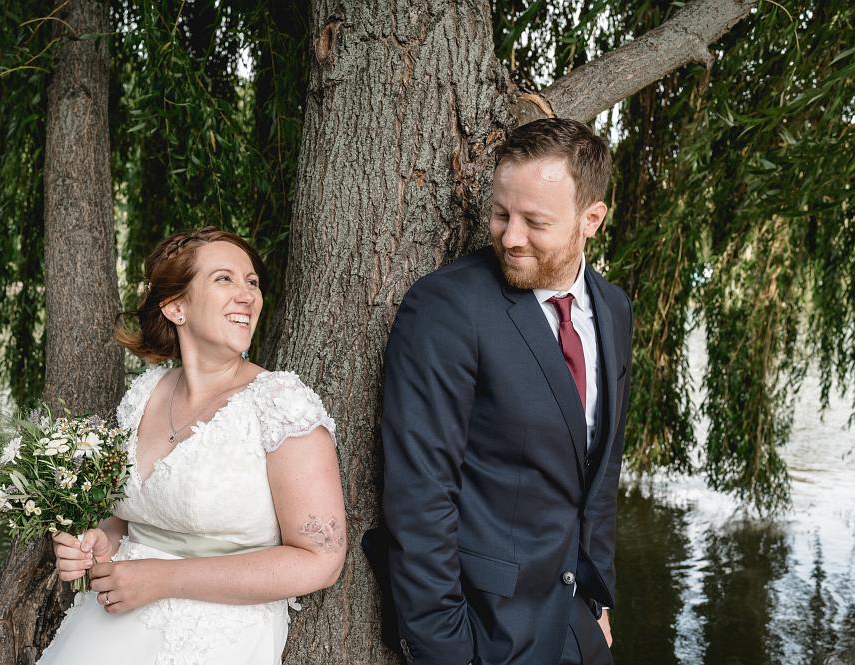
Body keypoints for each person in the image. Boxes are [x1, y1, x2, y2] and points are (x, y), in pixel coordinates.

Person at [375, 118, 632, 665]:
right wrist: (446, 650)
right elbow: (419, 497)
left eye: (535, 222)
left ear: (591, 220)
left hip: (577, 622)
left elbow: (600, 469)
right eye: (500, 214)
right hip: (487, 630)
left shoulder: (613, 311)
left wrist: (598, 594)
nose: (510, 237)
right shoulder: (447, 308)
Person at [38, 227, 346, 665]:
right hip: (104, 628)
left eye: (252, 282)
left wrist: (162, 580)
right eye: (224, 279)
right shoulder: (143, 394)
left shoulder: (280, 404)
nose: (247, 295)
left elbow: (322, 560)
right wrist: (94, 544)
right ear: (176, 306)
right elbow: (123, 518)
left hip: (216, 640)